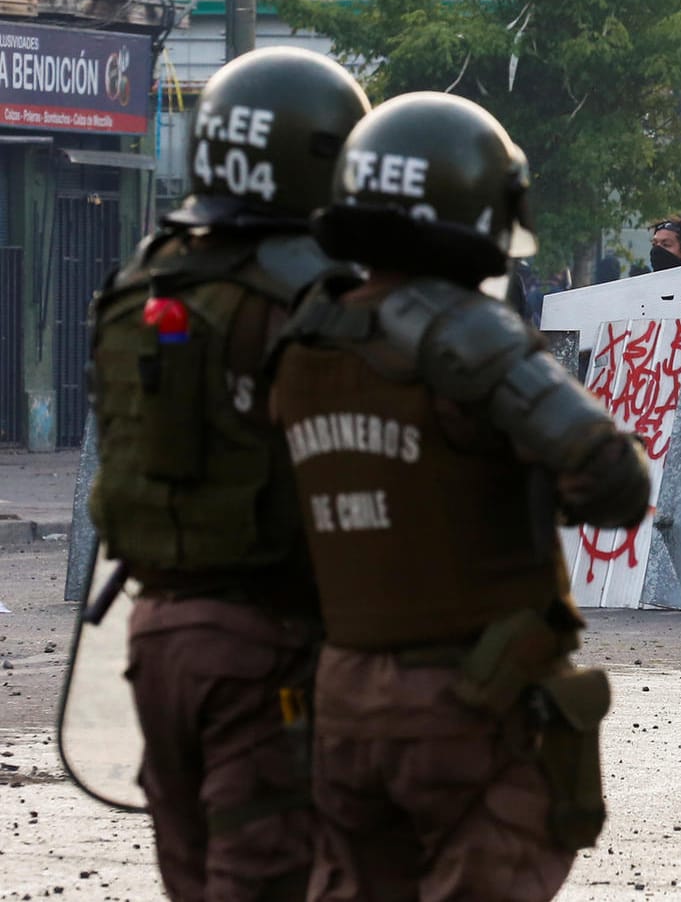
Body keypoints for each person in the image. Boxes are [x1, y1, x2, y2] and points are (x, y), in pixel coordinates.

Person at [269, 92, 651, 900]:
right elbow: (612, 473)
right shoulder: (471, 336)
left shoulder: (304, 339)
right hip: (468, 697)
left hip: (338, 698)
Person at [87, 46, 370, 900]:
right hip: (270, 646)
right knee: (267, 877)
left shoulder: (147, 275)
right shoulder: (317, 299)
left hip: (154, 635)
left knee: (194, 876)